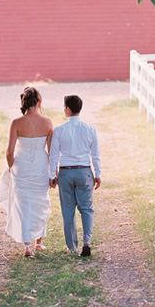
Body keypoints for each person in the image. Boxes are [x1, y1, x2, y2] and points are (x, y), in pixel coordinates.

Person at [0, 86, 54, 257]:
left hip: (21, 165)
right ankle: (39, 242)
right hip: (40, 165)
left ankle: (27, 246)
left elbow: (9, 152)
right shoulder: (48, 122)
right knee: (40, 201)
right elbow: (52, 152)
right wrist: (53, 173)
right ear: (39, 102)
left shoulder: (16, 123)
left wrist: (11, 167)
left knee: (23, 204)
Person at [49, 94, 101, 257]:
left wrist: (52, 175)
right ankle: (87, 242)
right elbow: (96, 154)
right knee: (86, 208)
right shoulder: (90, 128)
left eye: (64, 107)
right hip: (84, 170)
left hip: (65, 172)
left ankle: (72, 247)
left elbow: (54, 155)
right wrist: (97, 174)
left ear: (68, 109)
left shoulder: (59, 130)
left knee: (68, 210)